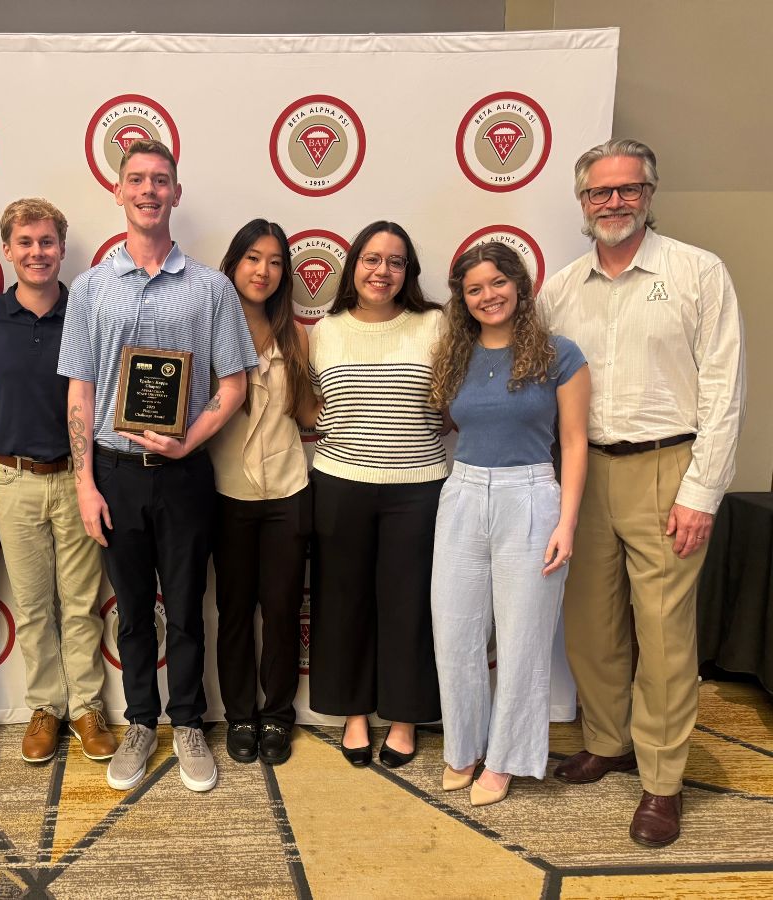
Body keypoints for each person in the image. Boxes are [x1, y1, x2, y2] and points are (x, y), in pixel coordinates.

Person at [539, 139, 746, 846]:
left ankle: (662, 781)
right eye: (600, 192)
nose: (614, 202)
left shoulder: (697, 272)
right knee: (591, 628)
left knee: (662, 637)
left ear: (650, 194)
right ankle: (606, 739)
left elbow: (723, 390)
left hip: (668, 470)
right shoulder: (561, 289)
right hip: (584, 473)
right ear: (583, 202)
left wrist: (703, 492)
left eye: (628, 189)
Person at [58, 139, 257, 793]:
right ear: (118, 192)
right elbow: (81, 391)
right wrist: (85, 484)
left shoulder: (211, 288)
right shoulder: (89, 289)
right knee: (135, 610)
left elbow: (234, 386)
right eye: (136, 179)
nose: (148, 189)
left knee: (187, 606)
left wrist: (187, 440)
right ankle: (142, 721)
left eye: (161, 180)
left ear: (176, 193)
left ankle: (191, 722)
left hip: (183, 474)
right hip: (113, 471)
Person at [428, 242, 589, 806]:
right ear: (462, 299)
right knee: (455, 634)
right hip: (464, 492)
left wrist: (567, 523)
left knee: (522, 641)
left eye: (497, 282)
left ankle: (506, 759)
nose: (488, 295)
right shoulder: (455, 354)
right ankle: (465, 746)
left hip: (531, 495)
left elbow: (573, 442)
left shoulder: (559, 354)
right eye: (474, 289)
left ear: (519, 285)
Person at [0, 199, 117, 765]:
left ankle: (86, 707)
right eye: (25, 243)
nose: (37, 253)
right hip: (12, 478)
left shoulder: (87, 311)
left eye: (48, 242)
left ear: (62, 247)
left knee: (80, 605)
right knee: (32, 605)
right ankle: (45, 707)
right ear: (7, 250)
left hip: (78, 477)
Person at [306, 220, 446, 769]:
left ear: (408, 271)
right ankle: (356, 714)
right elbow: (310, 405)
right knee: (343, 604)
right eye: (371, 258)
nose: (382, 270)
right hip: (340, 484)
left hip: (417, 488)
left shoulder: (436, 324)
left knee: (409, 605)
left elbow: (455, 402)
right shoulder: (326, 330)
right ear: (353, 266)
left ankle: (406, 717)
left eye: (394, 261)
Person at [209, 219, 313, 766]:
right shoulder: (207, 330)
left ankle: (277, 714)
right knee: (233, 610)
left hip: (288, 494)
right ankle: (240, 713)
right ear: (232, 264)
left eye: (274, 261)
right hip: (227, 494)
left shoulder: (297, 336)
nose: (262, 271)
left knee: (280, 609)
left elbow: (311, 416)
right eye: (252, 258)